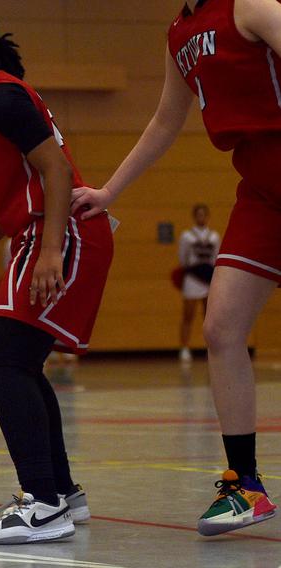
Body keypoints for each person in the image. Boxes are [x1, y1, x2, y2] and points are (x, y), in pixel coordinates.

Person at [71, 0, 281, 537]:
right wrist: (110, 190)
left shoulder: (252, 6)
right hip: (260, 189)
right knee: (221, 327)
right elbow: (166, 119)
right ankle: (246, 486)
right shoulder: (180, 32)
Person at [0, 0, 114, 544]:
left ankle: (45, 503)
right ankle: (62, 493)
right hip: (42, 230)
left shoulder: (1, 94)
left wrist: (51, 250)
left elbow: (54, 168)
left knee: (5, 360)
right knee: (21, 364)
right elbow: (23, 183)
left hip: (60, 232)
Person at [177, 203, 220, 363]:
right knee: (188, 314)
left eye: (204, 214)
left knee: (209, 316)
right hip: (193, 278)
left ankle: (211, 348)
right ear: (195, 217)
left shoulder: (214, 236)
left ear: (207, 216)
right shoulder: (186, 236)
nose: (201, 217)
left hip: (208, 278)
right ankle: (184, 348)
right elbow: (182, 258)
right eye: (198, 215)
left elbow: (216, 258)